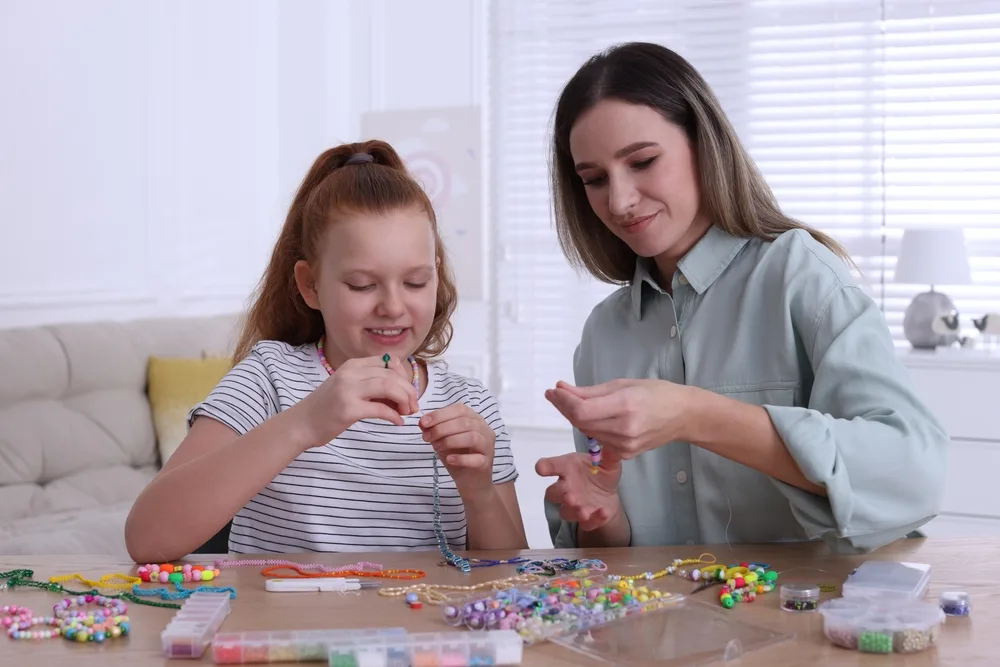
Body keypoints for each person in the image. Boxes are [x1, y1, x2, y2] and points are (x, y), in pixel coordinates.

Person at [534, 42, 949, 555]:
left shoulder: (800, 276)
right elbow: (612, 555)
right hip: (659, 630)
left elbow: (914, 472)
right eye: (594, 180)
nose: (618, 202)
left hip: (802, 626)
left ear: (703, 145)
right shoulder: (604, 333)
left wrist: (694, 414)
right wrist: (603, 510)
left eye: (642, 161)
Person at [125, 140, 527, 562]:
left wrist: (479, 491)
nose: (392, 306)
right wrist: (304, 424)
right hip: (285, 628)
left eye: (415, 282)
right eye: (362, 285)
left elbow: (513, 571)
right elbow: (146, 538)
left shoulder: (469, 403)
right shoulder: (267, 379)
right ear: (310, 285)